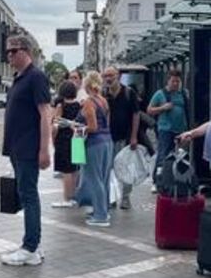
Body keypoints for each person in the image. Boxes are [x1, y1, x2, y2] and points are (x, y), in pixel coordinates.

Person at [1, 36, 51, 266]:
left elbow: (45, 114)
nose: (9, 56)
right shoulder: (19, 78)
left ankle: (30, 247)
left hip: (28, 148)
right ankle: (34, 244)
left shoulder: (36, 77)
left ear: (25, 52)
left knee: (28, 195)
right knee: (26, 193)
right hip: (17, 147)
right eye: (8, 52)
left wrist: (44, 150)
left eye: (12, 51)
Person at [75, 71, 113, 227]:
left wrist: (77, 128)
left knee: (94, 178)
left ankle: (100, 216)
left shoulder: (89, 102)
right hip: (107, 141)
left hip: (94, 143)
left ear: (87, 85)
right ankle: (103, 209)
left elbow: (93, 127)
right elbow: (106, 123)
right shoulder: (103, 100)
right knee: (104, 178)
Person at [103, 66, 140, 210]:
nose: (108, 79)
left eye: (111, 75)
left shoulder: (129, 93)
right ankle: (111, 198)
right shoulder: (103, 94)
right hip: (107, 138)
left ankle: (125, 198)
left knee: (126, 168)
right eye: (106, 76)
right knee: (108, 169)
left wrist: (134, 136)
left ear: (118, 76)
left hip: (125, 137)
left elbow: (136, 114)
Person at [147, 70, 189, 186]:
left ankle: (173, 179)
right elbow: (149, 110)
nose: (175, 84)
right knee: (163, 154)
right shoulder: (160, 94)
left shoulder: (183, 94)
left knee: (179, 155)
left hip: (180, 129)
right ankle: (158, 180)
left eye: (178, 81)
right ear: (168, 81)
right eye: (173, 81)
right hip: (165, 129)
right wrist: (163, 108)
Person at [51, 81, 81, 208]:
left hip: (64, 140)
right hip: (78, 138)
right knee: (75, 169)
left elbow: (55, 126)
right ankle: (74, 197)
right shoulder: (79, 105)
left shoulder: (60, 106)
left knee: (66, 171)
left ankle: (67, 199)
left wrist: (53, 139)